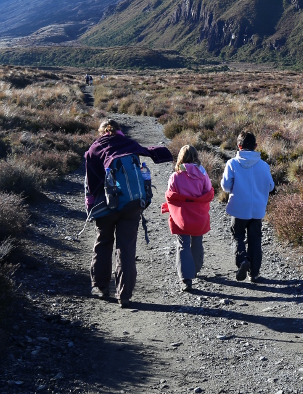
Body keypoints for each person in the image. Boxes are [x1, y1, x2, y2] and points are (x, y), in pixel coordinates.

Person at [84, 119, 173, 307]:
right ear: (119, 131)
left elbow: (90, 184)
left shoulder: (95, 148)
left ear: (101, 132)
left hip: (107, 205)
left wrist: (90, 206)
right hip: (132, 203)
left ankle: (101, 287)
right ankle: (124, 295)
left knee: (103, 243)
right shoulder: (129, 144)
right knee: (126, 248)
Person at [220, 131, 275, 282]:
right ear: (256, 146)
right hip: (257, 209)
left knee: (237, 236)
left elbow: (225, 186)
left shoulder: (232, 163)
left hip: (238, 208)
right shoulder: (264, 165)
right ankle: (254, 273)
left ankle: (243, 260)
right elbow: (270, 186)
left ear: (239, 146)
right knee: (255, 240)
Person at [161, 144, 214, 292]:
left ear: (181, 158)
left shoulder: (175, 176)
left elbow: (170, 196)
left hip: (181, 217)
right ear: (196, 157)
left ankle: (186, 278)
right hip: (199, 216)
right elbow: (209, 193)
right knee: (197, 241)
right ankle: (195, 269)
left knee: (182, 244)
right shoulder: (203, 175)